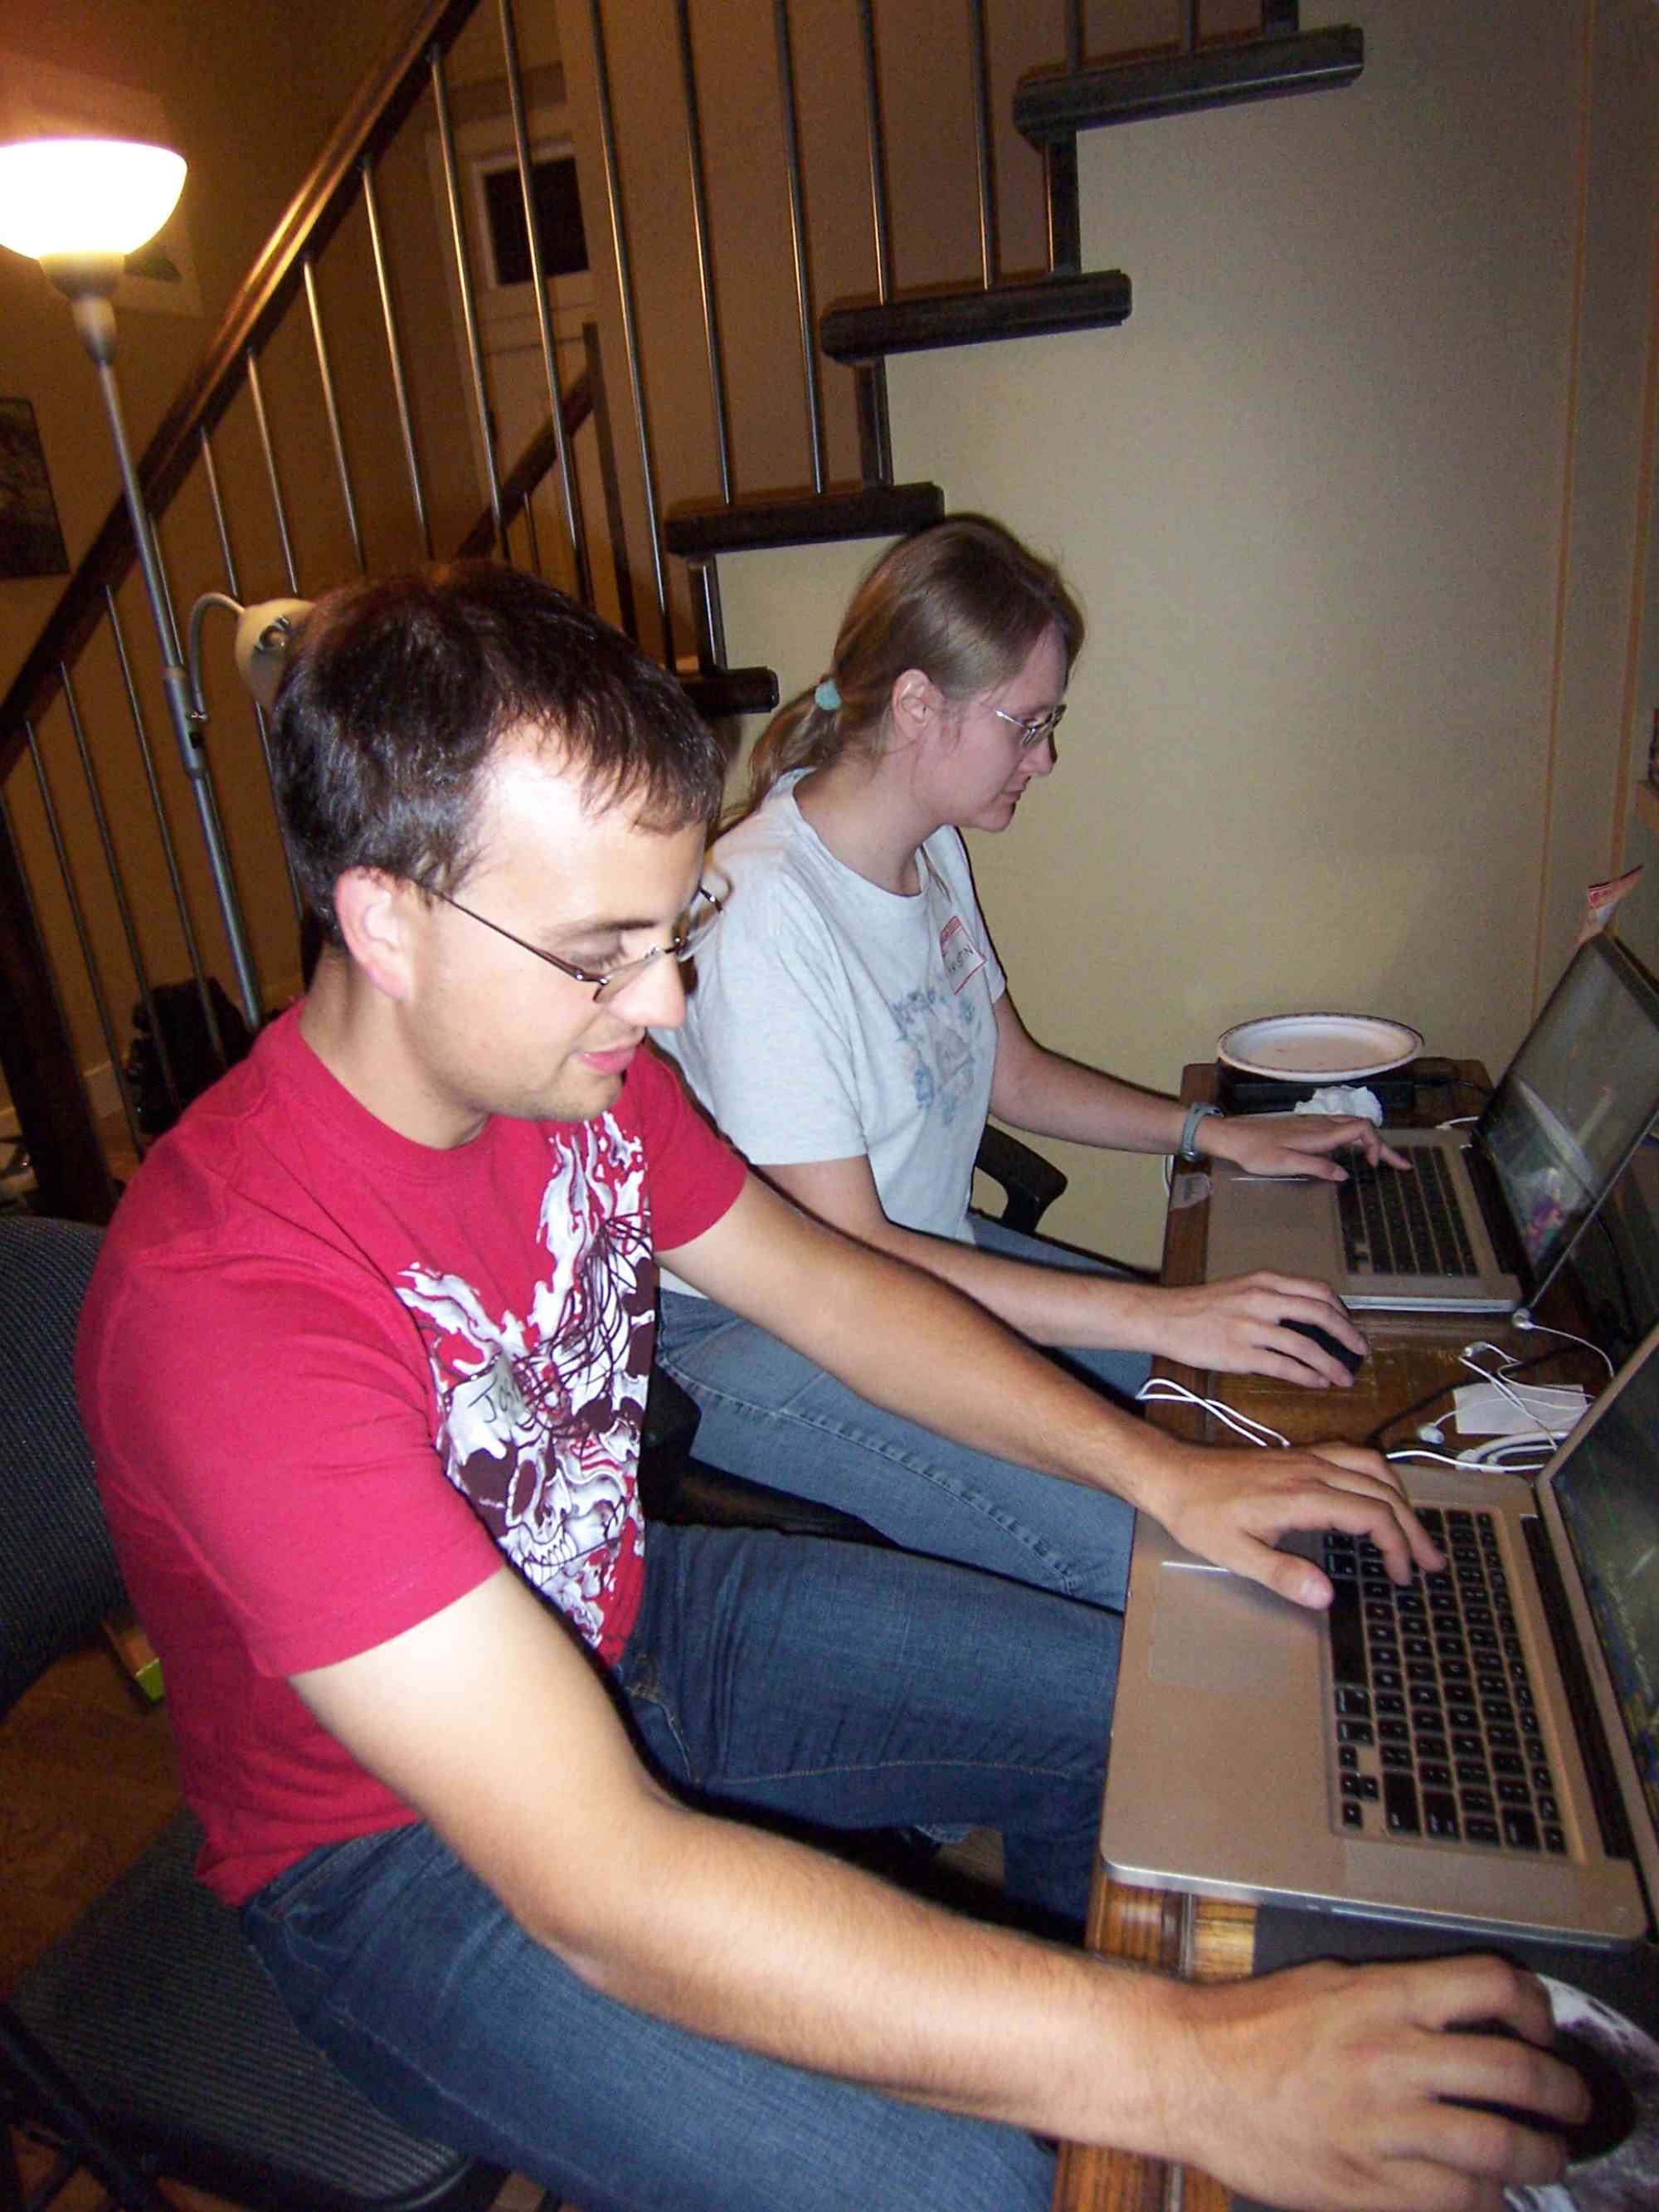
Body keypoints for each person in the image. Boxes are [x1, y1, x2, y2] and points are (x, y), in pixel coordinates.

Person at [77, 563, 1580, 2212]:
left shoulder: (573, 1074)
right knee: (980, 2184)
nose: (662, 1001)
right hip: (389, 1863)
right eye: (600, 953)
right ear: (386, 921)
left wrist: (1159, 1470)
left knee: (1145, 1723)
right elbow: (603, 1881)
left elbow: (831, 1291)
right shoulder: (226, 1302)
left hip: (630, 1617)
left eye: (669, 933)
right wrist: (1181, 2062)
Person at [657, 514, 1404, 1604]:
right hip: (760, 1331)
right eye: (1029, 725)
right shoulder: (767, 915)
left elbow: (1014, 1074)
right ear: (920, 705)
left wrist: (1217, 1133)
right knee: (1176, 1559)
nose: (1045, 758)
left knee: (1244, 1385)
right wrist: (1159, 1310)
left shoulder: (930, 848)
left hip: (919, 1265)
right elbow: (849, 1256)